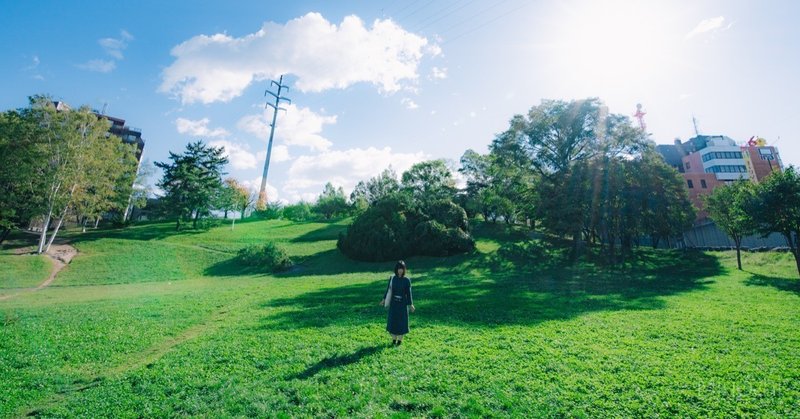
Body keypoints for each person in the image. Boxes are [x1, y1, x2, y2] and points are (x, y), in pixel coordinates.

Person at [379, 260, 415, 346]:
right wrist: (384, 299)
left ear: (404, 269)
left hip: (402, 305)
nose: (400, 270)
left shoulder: (407, 280)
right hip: (394, 304)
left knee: (402, 321)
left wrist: (411, 304)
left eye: (402, 269)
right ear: (396, 269)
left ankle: (400, 340)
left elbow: (408, 293)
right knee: (393, 321)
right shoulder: (392, 278)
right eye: (399, 268)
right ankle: (394, 339)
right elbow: (388, 290)